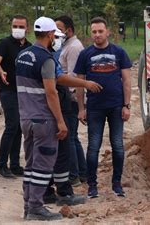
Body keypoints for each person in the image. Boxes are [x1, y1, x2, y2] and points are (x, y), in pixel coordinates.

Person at [16, 16, 68, 221]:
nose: (55, 38)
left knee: (30, 164)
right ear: (49, 34)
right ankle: (36, 207)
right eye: (54, 34)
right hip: (43, 120)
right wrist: (61, 121)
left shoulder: (22, 55)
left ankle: (28, 206)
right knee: (43, 165)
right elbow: (51, 92)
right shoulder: (45, 58)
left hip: (26, 119)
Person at [43, 28, 102, 206]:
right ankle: (63, 192)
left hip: (50, 108)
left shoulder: (41, 55)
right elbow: (57, 83)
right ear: (49, 36)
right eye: (57, 38)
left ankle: (53, 189)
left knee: (56, 149)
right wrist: (85, 84)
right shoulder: (47, 58)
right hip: (57, 106)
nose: (59, 41)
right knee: (61, 150)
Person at [74, 17, 132, 199]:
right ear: (91, 33)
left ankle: (117, 183)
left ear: (107, 32)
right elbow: (80, 84)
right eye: (94, 32)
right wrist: (81, 108)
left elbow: (127, 81)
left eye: (100, 31)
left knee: (118, 146)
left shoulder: (119, 52)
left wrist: (126, 105)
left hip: (116, 106)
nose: (97, 35)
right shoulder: (85, 55)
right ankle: (92, 185)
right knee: (93, 146)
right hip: (95, 108)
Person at [0, 15, 32, 178]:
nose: (17, 29)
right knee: (12, 124)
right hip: (8, 90)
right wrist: (0, 71)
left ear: (27, 28)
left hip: (23, 92)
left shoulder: (29, 47)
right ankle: (2, 165)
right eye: (15, 26)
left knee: (19, 127)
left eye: (20, 26)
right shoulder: (4, 43)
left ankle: (15, 164)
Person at [55, 15, 88, 186]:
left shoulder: (74, 47)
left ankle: (74, 174)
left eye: (59, 29)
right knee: (73, 137)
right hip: (68, 96)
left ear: (68, 29)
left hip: (71, 98)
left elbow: (75, 76)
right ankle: (83, 173)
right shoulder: (66, 46)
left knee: (70, 137)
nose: (56, 32)